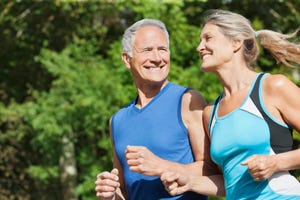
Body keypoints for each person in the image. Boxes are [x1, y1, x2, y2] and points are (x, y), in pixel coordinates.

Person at [161, 9, 300, 200]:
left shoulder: (272, 87)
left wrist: (276, 163)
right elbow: (229, 182)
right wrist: (190, 182)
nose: (199, 47)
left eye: (208, 38)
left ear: (236, 43)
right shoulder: (210, 113)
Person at [94, 18, 216, 200]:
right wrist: (110, 194)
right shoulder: (117, 121)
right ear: (127, 60)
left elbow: (211, 169)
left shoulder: (188, 100)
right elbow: (126, 193)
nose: (157, 58)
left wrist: (161, 166)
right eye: (147, 50)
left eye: (163, 49)